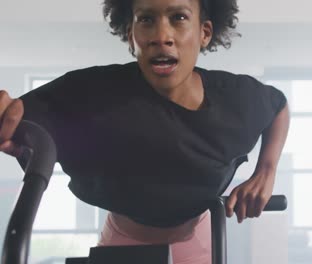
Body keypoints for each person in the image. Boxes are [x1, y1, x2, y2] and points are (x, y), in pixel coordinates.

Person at [0, 0, 290, 263]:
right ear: (131, 36)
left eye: (178, 17)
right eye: (146, 20)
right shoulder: (93, 92)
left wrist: (266, 170)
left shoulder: (236, 99)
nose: (161, 36)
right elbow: (15, 112)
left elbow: (278, 107)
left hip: (199, 236)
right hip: (124, 241)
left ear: (204, 32)